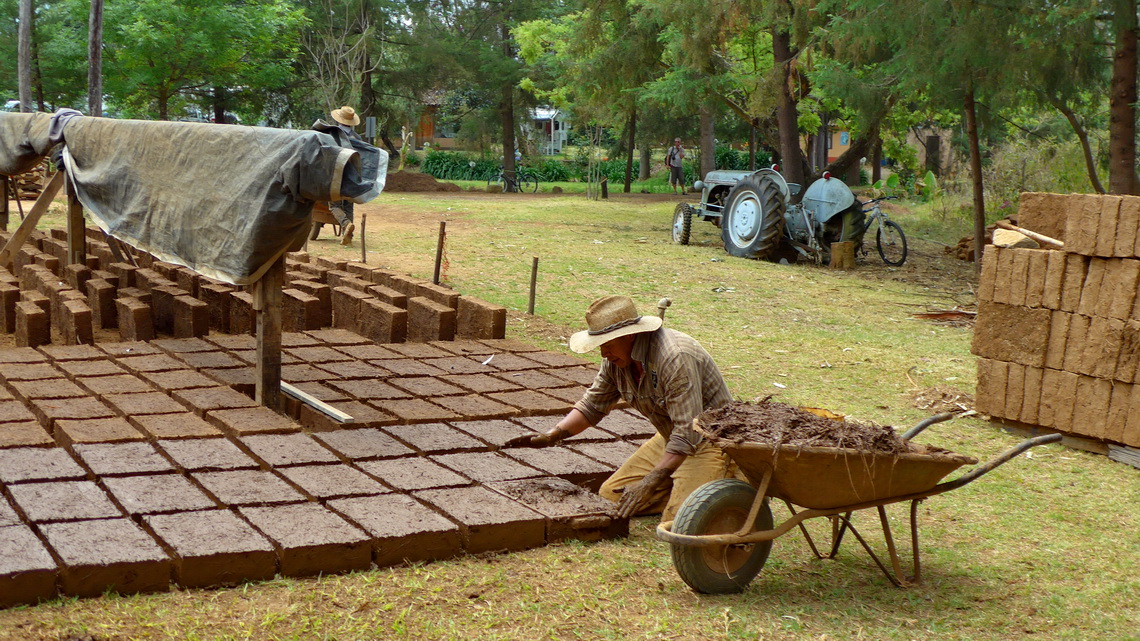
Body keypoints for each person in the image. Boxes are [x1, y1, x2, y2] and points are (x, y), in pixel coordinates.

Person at [506, 295, 737, 521]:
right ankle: (682, 486)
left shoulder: (675, 357)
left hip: (711, 438)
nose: (603, 353)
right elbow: (592, 405)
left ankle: (731, 480)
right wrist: (552, 436)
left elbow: (688, 432)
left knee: (679, 522)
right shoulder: (615, 360)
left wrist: (649, 481)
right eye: (600, 346)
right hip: (672, 435)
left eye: (607, 344)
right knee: (610, 497)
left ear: (631, 336)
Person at [328, 105, 362, 245]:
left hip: (336, 175)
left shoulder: (332, 134)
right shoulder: (357, 137)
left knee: (334, 204)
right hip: (352, 176)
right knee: (349, 205)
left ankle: (345, 224)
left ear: (339, 120)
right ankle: (348, 236)